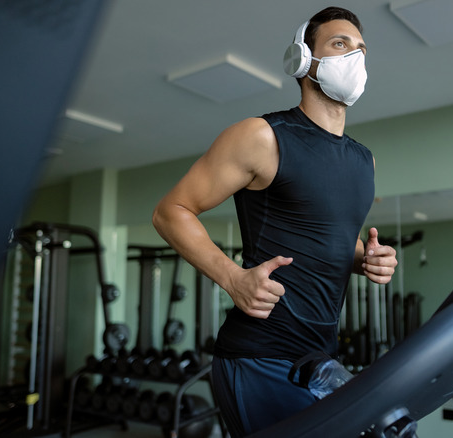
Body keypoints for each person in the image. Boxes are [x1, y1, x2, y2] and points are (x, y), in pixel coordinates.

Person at [152, 7, 397, 437]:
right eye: (340, 45)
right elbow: (171, 211)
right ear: (303, 60)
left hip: (319, 356)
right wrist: (232, 277)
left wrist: (368, 258)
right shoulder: (263, 136)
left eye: (361, 50)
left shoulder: (364, 160)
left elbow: (330, 237)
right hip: (258, 355)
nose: (354, 57)